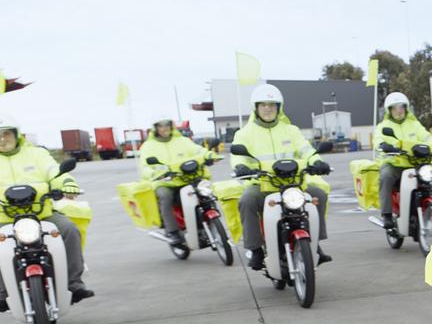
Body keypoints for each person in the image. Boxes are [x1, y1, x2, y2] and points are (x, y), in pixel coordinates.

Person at [0, 114, 93, 311]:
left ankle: (74, 283)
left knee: (69, 229)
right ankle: (2, 292)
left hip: (42, 212)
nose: (2, 139)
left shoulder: (37, 154)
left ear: (16, 135)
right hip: (4, 217)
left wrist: (67, 184)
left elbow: (55, 173)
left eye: (7, 134)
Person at [230, 84, 331, 270]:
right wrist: (241, 167)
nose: (267, 108)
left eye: (272, 104)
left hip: (294, 184)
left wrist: (317, 161)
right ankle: (256, 249)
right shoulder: (244, 133)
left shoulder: (291, 130)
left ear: (279, 107)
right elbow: (237, 155)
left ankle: (315, 243)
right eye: (263, 105)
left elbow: (306, 150)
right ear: (256, 107)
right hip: (261, 184)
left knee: (319, 195)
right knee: (247, 200)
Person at [138, 115, 215, 246]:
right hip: (164, 181)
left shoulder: (183, 141)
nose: (164, 128)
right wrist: (154, 173)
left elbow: (198, 150)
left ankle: (205, 225)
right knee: (165, 195)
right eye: (161, 126)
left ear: (171, 126)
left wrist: (209, 155)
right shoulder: (148, 146)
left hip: (185, 178)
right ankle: (172, 231)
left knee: (204, 193)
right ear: (155, 128)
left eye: (167, 125)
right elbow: (144, 167)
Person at [373, 92, 432, 230]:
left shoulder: (414, 124)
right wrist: (383, 145)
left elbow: (427, 137)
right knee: (386, 176)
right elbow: (378, 140)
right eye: (395, 107)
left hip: (415, 163)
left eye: (401, 106)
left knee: (431, 177)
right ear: (389, 110)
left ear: (406, 108)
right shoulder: (383, 126)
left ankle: (429, 206)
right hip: (395, 163)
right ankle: (387, 214)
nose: (398, 110)